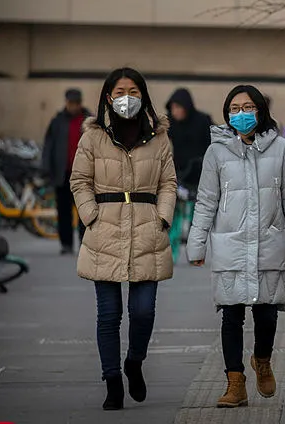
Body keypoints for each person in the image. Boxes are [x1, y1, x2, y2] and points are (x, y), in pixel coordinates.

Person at [186, 85, 285, 409]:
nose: (242, 114)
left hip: (270, 242)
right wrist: (196, 244)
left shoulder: (280, 149)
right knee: (231, 316)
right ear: (227, 114)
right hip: (231, 245)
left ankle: (263, 360)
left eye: (248, 107)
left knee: (267, 314)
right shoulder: (217, 152)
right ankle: (235, 383)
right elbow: (207, 199)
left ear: (261, 111)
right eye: (235, 108)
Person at [70, 67, 177, 411]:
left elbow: (168, 183)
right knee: (109, 314)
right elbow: (80, 180)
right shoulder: (93, 137)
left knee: (143, 311)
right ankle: (112, 380)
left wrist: (162, 217)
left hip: (147, 228)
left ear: (143, 95)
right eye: (119, 92)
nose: (126, 97)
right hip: (104, 229)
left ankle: (134, 361)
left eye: (133, 91)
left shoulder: (159, 137)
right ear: (107, 97)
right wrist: (90, 215)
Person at [165, 88, 213, 263]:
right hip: (179, 174)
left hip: (200, 175)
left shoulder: (202, 121)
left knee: (197, 217)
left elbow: (211, 145)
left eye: (178, 107)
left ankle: (196, 252)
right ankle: (172, 252)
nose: (175, 111)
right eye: (173, 108)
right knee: (175, 214)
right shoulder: (170, 123)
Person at [42, 88, 91, 255]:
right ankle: (66, 244)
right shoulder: (58, 121)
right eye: (71, 103)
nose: (73, 106)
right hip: (63, 173)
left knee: (85, 211)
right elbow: (49, 145)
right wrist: (46, 167)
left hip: (83, 174)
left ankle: (86, 244)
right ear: (66, 103)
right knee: (63, 211)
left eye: (76, 103)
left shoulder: (89, 120)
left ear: (80, 103)